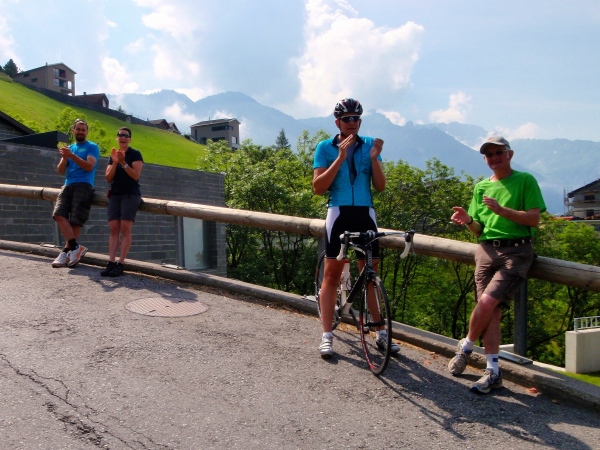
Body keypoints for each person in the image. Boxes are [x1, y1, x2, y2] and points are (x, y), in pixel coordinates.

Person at [449, 136, 546, 394]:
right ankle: (493, 371)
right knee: (491, 311)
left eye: (499, 152)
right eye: (489, 154)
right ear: (485, 159)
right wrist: (468, 220)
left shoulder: (525, 180)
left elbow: (534, 219)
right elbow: (479, 229)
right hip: (486, 250)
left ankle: (466, 347)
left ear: (509, 154)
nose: (494, 158)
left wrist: (502, 210)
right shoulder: (481, 187)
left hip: (516, 251)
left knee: (486, 303)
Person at [312, 98, 399, 358]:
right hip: (338, 212)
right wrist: (339, 157)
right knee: (331, 276)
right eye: (347, 119)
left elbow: (380, 187)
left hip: (365, 213)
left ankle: (380, 332)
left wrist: (374, 160)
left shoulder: (370, 145)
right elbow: (318, 188)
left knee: (370, 274)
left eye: (356, 118)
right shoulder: (325, 147)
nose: (352, 123)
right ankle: (327, 335)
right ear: (337, 122)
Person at [51, 119, 100, 268]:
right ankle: (75, 248)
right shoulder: (70, 148)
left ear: (87, 132)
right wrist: (65, 157)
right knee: (58, 214)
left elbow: (89, 166)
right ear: (73, 131)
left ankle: (66, 252)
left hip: (84, 184)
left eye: (83, 129)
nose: (80, 132)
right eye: (78, 129)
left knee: (76, 220)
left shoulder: (92, 147)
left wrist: (71, 156)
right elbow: (60, 171)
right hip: (68, 184)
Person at [101, 127, 144, 277]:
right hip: (115, 194)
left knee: (125, 228)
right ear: (117, 138)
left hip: (130, 194)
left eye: (126, 135)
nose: (123, 137)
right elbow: (108, 178)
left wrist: (123, 162)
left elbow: (136, 176)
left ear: (130, 139)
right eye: (120, 135)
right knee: (113, 228)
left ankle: (121, 263)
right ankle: (111, 262)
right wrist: (115, 162)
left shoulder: (135, 154)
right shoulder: (113, 155)